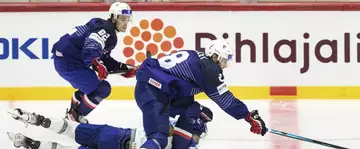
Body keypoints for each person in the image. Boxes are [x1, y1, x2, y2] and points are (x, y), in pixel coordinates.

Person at [134, 39, 268, 149]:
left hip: (162, 91)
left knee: (194, 110)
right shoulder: (209, 69)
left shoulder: (197, 57)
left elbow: (176, 83)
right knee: (159, 138)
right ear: (214, 56)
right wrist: (248, 116)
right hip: (152, 92)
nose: (225, 65)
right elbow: (226, 100)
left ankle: (180, 145)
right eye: (224, 60)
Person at [51, 2, 137, 123]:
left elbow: (104, 58)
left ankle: (73, 112)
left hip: (66, 59)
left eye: (128, 19)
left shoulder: (100, 24)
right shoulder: (107, 30)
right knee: (103, 88)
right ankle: (75, 116)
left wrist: (124, 69)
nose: (125, 23)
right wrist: (95, 62)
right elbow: (92, 45)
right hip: (69, 62)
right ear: (113, 17)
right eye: (122, 19)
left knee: (92, 86)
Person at [6, 103, 212, 149]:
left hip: (116, 133)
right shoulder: (186, 144)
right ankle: (29, 143)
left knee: (71, 129)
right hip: (120, 145)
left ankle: (37, 119)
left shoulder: (170, 122)